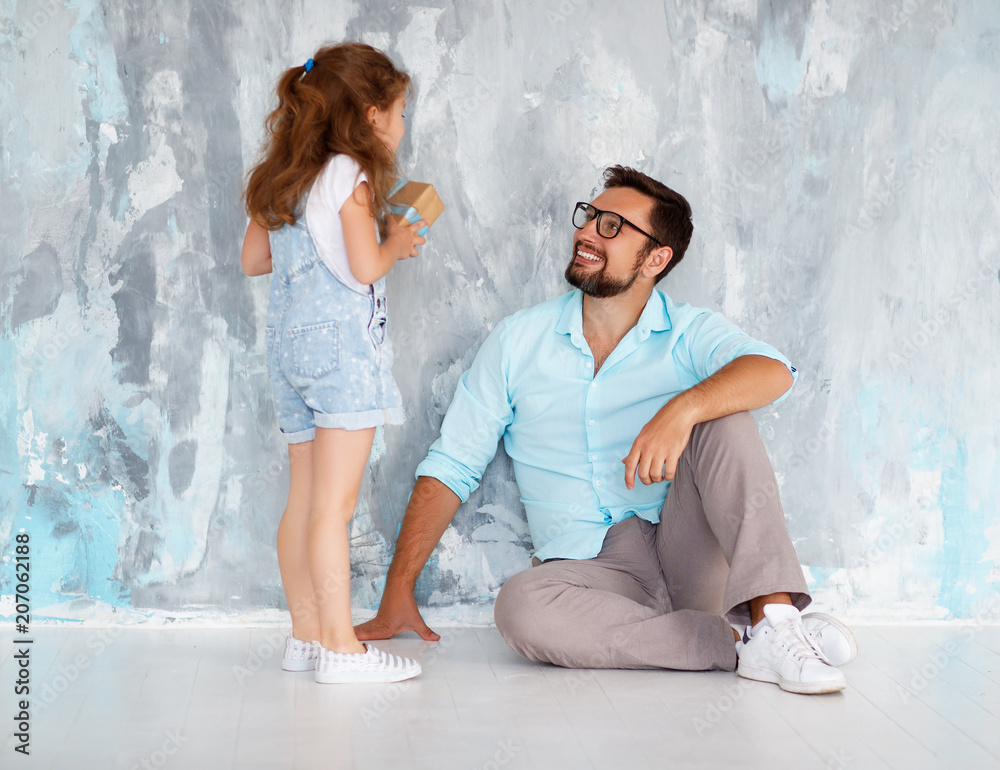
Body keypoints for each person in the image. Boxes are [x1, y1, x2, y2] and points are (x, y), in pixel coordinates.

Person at [356, 165, 857, 695]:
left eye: (613, 226)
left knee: (725, 414)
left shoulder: (689, 331)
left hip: (686, 552)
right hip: (592, 577)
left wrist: (683, 409)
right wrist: (398, 589)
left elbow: (774, 370)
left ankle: (776, 622)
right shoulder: (517, 341)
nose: (588, 232)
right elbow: (453, 465)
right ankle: (741, 643)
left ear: (657, 258)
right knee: (520, 608)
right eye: (589, 216)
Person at [241, 42, 427, 684]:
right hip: (341, 356)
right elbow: (363, 267)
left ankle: (305, 640)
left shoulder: (278, 175)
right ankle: (343, 652)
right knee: (334, 509)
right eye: (401, 112)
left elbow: (254, 263)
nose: (403, 126)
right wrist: (395, 241)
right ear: (371, 114)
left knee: (303, 501)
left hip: (289, 350)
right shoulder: (351, 174)